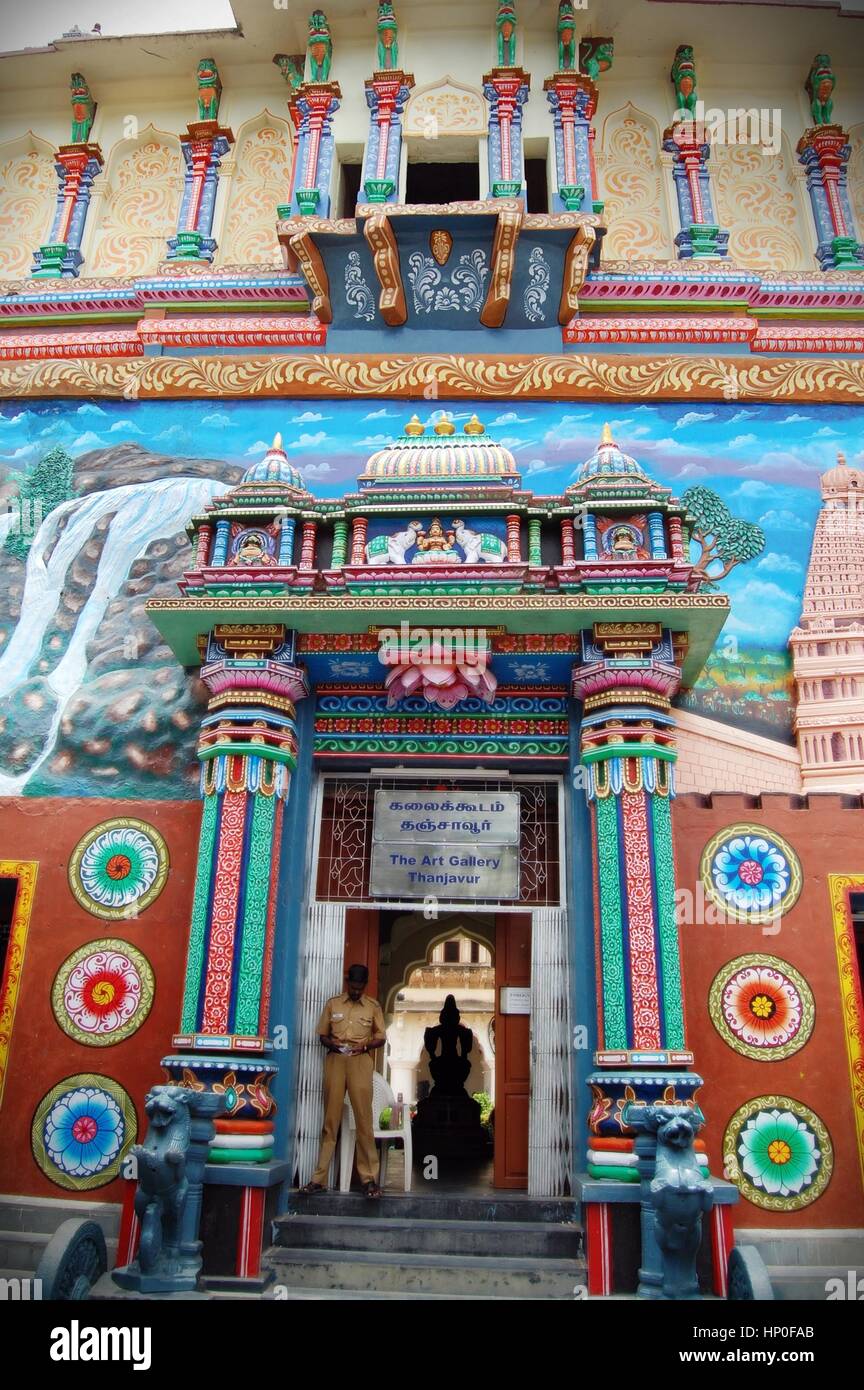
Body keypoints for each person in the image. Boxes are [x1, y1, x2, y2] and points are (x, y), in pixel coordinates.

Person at [300, 964, 387, 1199]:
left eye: (360, 987)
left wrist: (366, 1045)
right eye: (353, 986)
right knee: (330, 1119)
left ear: (365, 985)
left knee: (364, 1120)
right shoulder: (333, 1003)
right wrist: (333, 1044)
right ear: (348, 983)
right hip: (336, 1061)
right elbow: (322, 1035)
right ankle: (319, 1178)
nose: (356, 991)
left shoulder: (373, 1007)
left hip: (360, 1060)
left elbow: (381, 1037)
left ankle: (369, 1179)